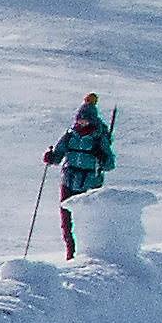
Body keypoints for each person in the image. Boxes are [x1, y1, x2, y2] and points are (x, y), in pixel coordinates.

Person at [42, 94, 116, 255]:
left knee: (85, 220)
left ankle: (86, 252)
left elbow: (110, 164)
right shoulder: (70, 135)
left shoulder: (99, 138)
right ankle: (70, 252)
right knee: (66, 221)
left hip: (89, 184)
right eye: (79, 119)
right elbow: (58, 154)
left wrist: (102, 156)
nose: (81, 122)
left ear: (92, 120)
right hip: (68, 181)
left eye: (85, 120)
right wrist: (51, 157)